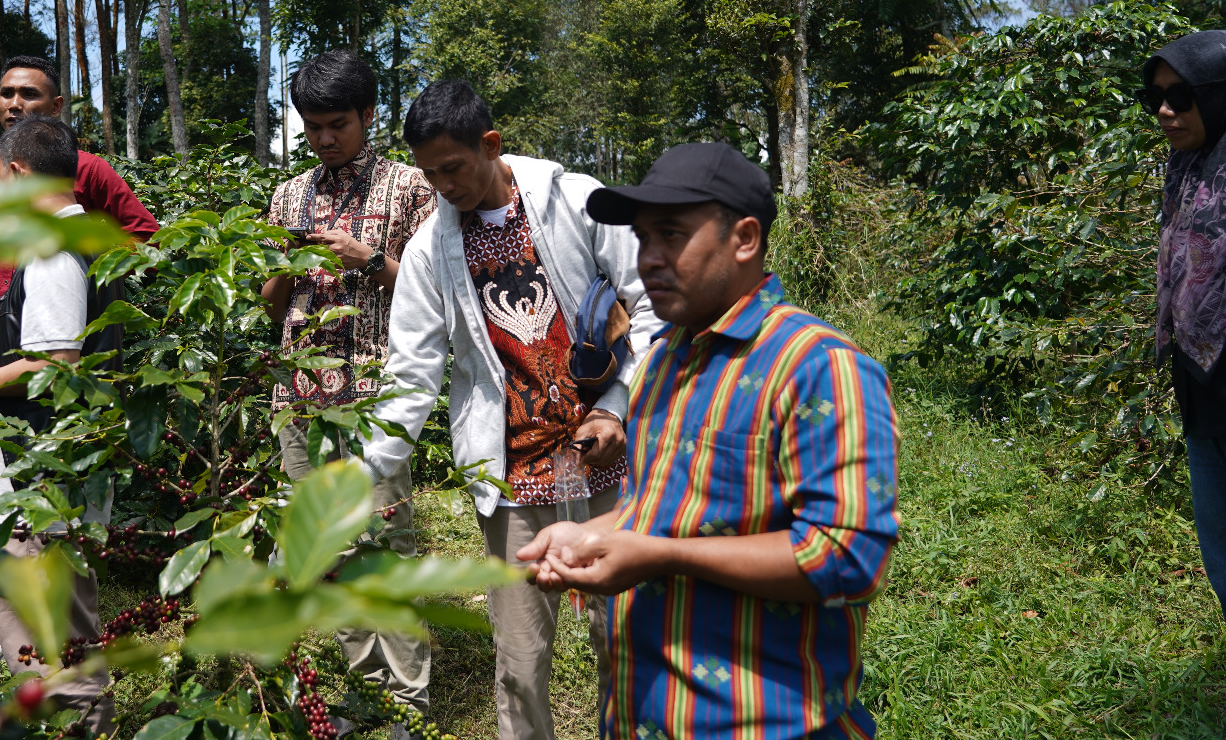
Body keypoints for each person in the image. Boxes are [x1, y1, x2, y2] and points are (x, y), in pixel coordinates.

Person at [517, 142, 901, 740]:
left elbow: (846, 557)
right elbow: (661, 506)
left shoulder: (818, 366)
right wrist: (595, 533)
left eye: (671, 235)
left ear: (744, 239)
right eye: (643, 239)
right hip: (641, 714)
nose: (649, 259)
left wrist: (663, 555)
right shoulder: (662, 361)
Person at [363, 80, 661, 740]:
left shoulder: (574, 202)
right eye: (429, 174)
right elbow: (411, 376)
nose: (443, 186)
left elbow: (649, 304)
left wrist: (614, 406)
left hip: (610, 459)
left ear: (490, 145)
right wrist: (358, 481)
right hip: (514, 473)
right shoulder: (428, 252)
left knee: (626, 638)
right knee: (522, 663)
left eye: (454, 168)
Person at [260, 49, 438, 726]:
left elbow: (433, 296)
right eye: (312, 127)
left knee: (385, 545)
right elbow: (274, 306)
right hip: (300, 398)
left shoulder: (409, 189)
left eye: (337, 123)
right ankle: (365, 694)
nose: (325, 138)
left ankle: (410, 704)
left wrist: (370, 262)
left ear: (368, 115)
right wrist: (286, 261)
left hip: (376, 397)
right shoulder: (289, 195)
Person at [0, 117, 121, 735]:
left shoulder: (53, 251)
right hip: (43, 481)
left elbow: (56, 367)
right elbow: (54, 340)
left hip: (38, 487)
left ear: (14, 173)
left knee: (51, 648)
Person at [0, 54, 157, 354]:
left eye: (29, 94)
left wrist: (84, 256)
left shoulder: (88, 169)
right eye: (6, 93)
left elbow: (148, 240)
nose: (14, 103)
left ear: (56, 106)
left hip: (61, 338)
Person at [1142, 32, 1226, 616]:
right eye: (1156, 99)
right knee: (1219, 546)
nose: (1167, 111)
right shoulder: (1185, 167)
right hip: (1202, 387)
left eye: (1182, 95)